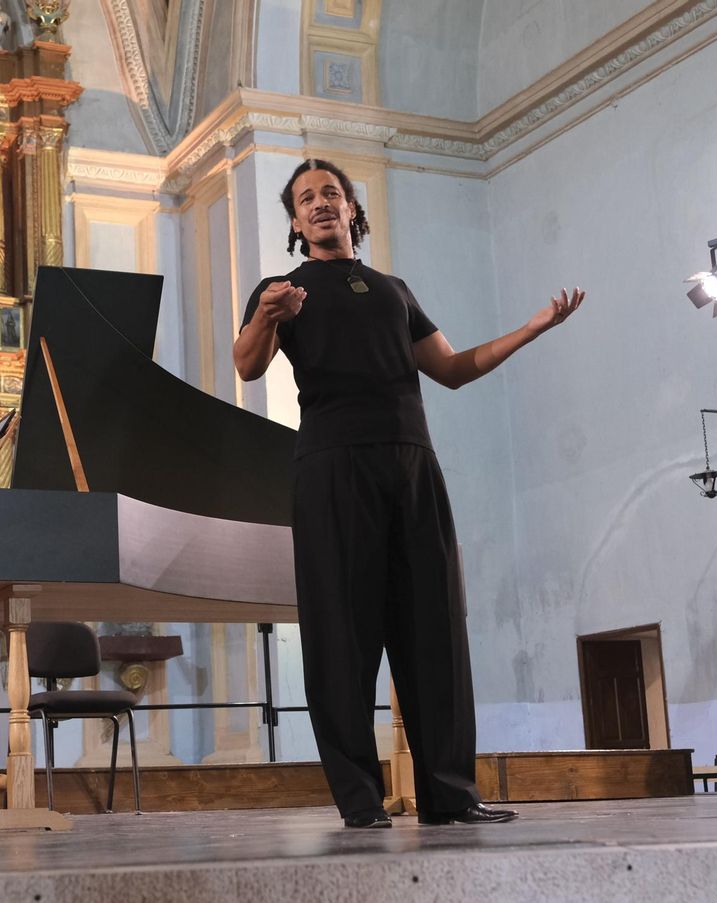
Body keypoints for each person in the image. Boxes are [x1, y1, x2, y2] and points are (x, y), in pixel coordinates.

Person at [233, 158, 584, 829]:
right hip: (333, 468)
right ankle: (362, 801)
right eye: (305, 199)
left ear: (352, 208)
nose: (320, 203)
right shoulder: (282, 290)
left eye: (331, 193)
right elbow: (247, 364)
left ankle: (450, 794)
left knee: (435, 628)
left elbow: (451, 367)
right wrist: (267, 317)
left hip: (413, 464)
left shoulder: (393, 289)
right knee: (342, 633)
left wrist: (533, 327)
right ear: (295, 221)